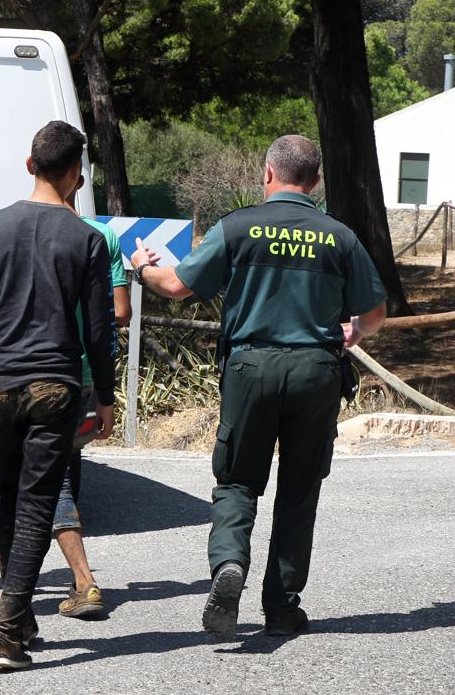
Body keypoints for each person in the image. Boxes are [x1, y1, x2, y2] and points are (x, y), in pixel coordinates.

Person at [130, 135, 388, 640]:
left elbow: (177, 286)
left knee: (237, 481)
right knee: (299, 489)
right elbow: (374, 311)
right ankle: (282, 607)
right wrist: (355, 332)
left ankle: (229, 566)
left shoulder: (237, 227)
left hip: (249, 368)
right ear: (315, 183)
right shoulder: (341, 237)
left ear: (267, 174)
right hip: (317, 371)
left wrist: (142, 266)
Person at [0, 121, 117, 670]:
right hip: (56, 385)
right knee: (39, 503)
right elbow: (97, 331)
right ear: (75, 177)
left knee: (10, 497)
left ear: (29, 164)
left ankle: (22, 617)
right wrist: (105, 395)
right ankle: (8, 629)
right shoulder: (85, 238)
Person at [51, 177, 132, 619]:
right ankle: (80, 581)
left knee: (26, 484)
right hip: (80, 372)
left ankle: (76, 582)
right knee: (62, 471)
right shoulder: (103, 236)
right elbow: (120, 312)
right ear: (79, 182)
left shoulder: (13, 229)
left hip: (23, 372)